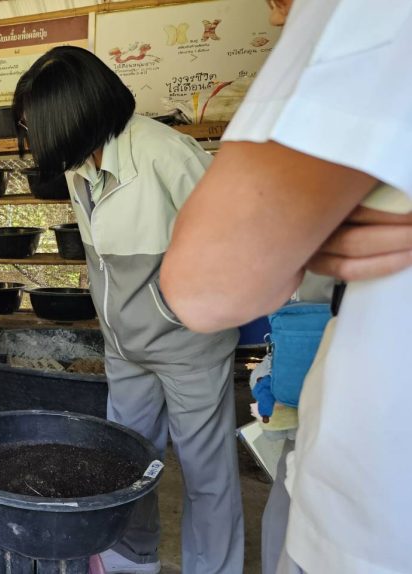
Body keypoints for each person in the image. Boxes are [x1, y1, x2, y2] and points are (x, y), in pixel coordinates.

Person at [160, 1, 412, 572]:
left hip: (379, 509)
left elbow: (208, 283)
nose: (276, 17)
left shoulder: (361, 12)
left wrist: (305, 235)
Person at [12, 46, 243, 574]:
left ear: (72, 113)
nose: (31, 135)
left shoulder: (166, 154)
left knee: (207, 476)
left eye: (32, 123)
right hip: (124, 349)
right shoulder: (79, 166)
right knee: (123, 463)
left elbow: (233, 241)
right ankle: (132, 560)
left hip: (189, 347)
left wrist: (180, 312)